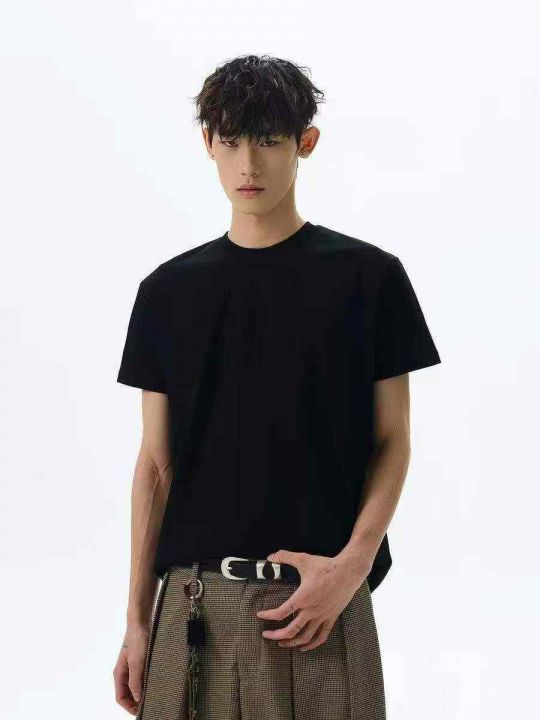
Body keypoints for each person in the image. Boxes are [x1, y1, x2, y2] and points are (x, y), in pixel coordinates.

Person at [112, 54, 441, 720]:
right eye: (232, 140)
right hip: (192, 606)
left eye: (268, 140)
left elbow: (394, 440)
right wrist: (137, 620)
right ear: (208, 143)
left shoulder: (370, 279)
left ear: (305, 142)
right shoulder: (167, 292)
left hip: (320, 604)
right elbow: (154, 465)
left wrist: (351, 567)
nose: (248, 165)